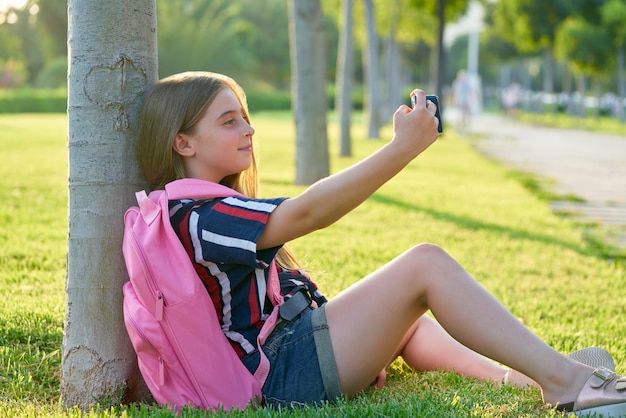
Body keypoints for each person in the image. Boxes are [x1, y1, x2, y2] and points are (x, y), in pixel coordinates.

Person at [135, 71, 626, 416]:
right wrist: (401, 149)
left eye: (244, 117)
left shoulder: (198, 207)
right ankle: (566, 384)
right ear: (184, 143)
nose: (249, 129)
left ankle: (532, 375)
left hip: (291, 354)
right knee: (424, 267)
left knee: (408, 319)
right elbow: (310, 212)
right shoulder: (196, 217)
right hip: (283, 378)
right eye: (229, 121)